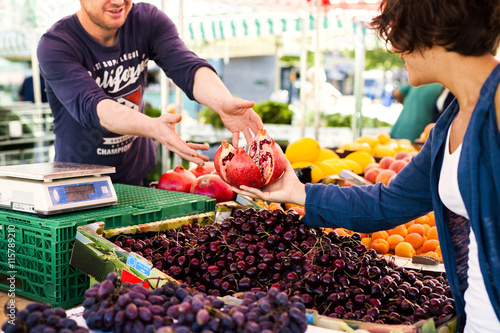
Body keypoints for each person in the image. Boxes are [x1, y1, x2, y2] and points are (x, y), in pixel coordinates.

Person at [233, 0, 500, 331]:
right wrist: (298, 192)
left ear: (433, 27)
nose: (394, 49)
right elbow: (388, 203)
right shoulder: (450, 124)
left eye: (399, 32)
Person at [36, 0, 263, 186]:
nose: (118, 2)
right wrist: (154, 127)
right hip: (78, 181)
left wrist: (222, 101)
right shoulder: (56, 44)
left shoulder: (147, 20)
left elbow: (184, 65)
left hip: (136, 176)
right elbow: (92, 106)